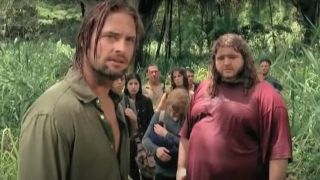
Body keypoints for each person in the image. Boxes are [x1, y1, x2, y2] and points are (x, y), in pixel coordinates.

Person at [19, 1, 144, 180]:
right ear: (85, 39)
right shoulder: (51, 116)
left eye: (129, 40)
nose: (122, 48)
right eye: (110, 36)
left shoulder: (117, 106)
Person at [177, 34, 292, 180]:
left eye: (232, 57)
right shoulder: (204, 88)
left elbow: (278, 153)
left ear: (245, 59)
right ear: (214, 61)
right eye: (220, 58)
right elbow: (186, 132)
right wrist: (181, 168)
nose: (226, 62)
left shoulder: (267, 96)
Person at [142, 88, 190, 180]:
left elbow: (189, 145)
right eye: (171, 108)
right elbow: (145, 140)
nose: (173, 113)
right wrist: (156, 150)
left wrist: (167, 134)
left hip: (180, 172)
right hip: (160, 172)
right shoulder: (160, 115)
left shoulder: (187, 121)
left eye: (177, 111)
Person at [122, 73, 154, 180]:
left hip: (145, 140)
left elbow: (151, 123)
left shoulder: (146, 101)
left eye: (136, 83)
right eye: (130, 84)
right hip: (129, 142)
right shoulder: (122, 102)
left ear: (140, 85)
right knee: (132, 171)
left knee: (147, 171)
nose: (133, 86)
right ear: (126, 85)